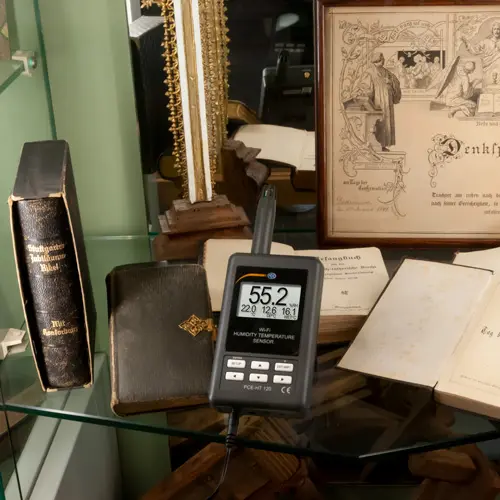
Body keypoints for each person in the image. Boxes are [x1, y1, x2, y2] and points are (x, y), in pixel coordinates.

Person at [358, 52, 401, 150]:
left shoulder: (387, 72)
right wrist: (367, 95)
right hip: (378, 101)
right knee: (379, 121)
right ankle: (375, 144)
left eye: (383, 59)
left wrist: (391, 82)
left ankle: (383, 145)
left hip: (387, 101)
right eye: (382, 59)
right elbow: (366, 88)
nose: (383, 60)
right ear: (377, 60)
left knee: (387, 122)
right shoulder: (369, 72)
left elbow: (396, 82)